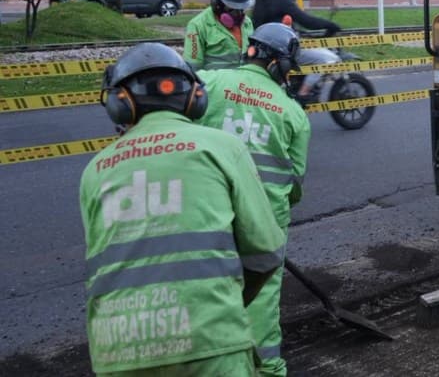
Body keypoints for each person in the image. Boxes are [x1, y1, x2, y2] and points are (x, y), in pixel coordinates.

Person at [80, 43, 285, 376]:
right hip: (211, 340)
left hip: (117, 352)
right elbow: (265, 252)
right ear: (195, 98)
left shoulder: (95, 170)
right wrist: (224, 300)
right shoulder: (222, 147)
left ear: (120, 104)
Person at [196, 23, 311, 376]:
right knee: (260, 297)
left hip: (208, 210)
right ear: (279, 64)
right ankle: (267, 369)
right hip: (264, 220)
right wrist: (270, 215)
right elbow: (294, 183)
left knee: (207, 287)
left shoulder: (210, 83)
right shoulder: (293, 114)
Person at [252, 0, 341, 102]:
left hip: (268, 50)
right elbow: (306, 20)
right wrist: (330, 25)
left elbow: (278, 21)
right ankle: (303, 93)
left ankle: (298, 84)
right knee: (326, 59)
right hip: (283, 52)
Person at [185, 0, 255, 70]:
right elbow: (193, 67)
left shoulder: (247, 23)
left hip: (242, 83)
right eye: (232, 8)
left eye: (241, 9)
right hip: (215, 84)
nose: (238, 14)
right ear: (217, 3)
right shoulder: (197, 25)